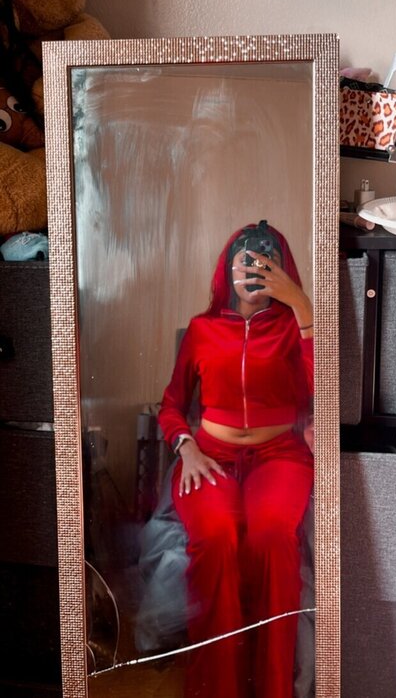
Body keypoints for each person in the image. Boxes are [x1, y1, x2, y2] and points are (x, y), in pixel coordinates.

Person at [158, 220, 314, 698]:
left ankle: (273, 689)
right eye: (246, 262)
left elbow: (325, 391)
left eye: (267, 264)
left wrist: (302, 306)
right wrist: (186, 446)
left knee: (272, 537)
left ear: (282, 271)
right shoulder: (202, 329)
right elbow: (171, 404)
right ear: (228, 270)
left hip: (279, 455)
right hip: (210, 454)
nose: (255, 271)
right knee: (216, 538)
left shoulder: (295, 327)